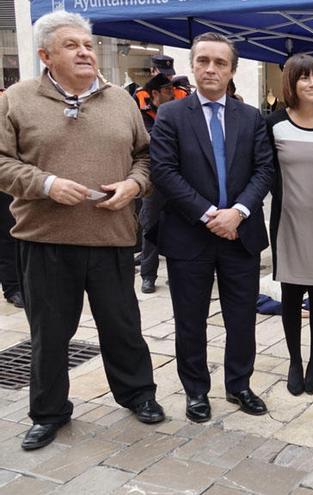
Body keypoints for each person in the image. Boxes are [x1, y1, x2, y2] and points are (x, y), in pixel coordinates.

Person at [0, 10, 165, 450]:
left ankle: (138, 394)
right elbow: (1, 163)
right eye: (72, 45)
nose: (85, 52)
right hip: (45, 240)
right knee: (50, 334)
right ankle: (49, 413)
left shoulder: (121, 101)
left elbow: (146, 158)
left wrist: (134, 185)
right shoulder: (16, 99)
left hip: (110, 237)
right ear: (45, 56)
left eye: (88, 45)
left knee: (123, 326)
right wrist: (46, 184)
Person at [150, 32, 275, 423]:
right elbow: (164, 172)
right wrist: (209, 214)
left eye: (220, 63)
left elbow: (264, 169)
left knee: (242, 318)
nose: (211, 68)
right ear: (192, 65)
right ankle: (196, 391)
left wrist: (237, 212)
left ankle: (239, 385)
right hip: (189, 235)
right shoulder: (171, 115)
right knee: (190, 319)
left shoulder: (251, 116)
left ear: (232, 70)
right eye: (203, 60)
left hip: (240, 235)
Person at [267, 54, 313, 396]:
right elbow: (264, 172)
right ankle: (295, 361)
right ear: (291, 84)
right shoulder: (274, 123)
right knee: (291, 295)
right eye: (304, 78)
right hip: (288, 221)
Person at [138, 73, 176, 294]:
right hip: (153, 181)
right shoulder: (142, 114)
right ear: (155, 94)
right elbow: (150, 142)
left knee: (176, 228)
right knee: (150, 227)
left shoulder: (176, 113)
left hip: (174, 180)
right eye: (167, 90)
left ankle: (175, 273)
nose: (172, 93)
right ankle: (148, 275)